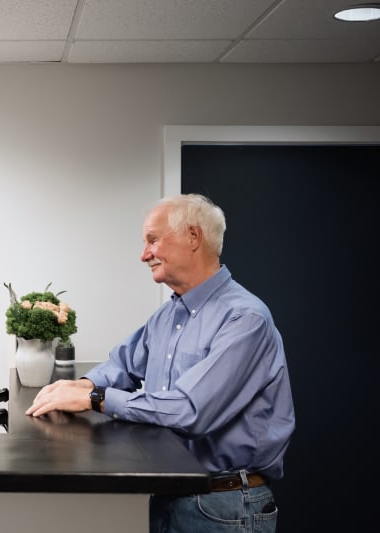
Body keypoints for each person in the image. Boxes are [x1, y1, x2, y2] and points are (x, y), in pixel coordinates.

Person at [26, 194, 295, 533]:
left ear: (193, 238)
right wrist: (84, 384)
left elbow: (189, 410)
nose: (144, 255)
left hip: (225, 506)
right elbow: (123, 363)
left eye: (152, 240)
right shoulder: (170, 314)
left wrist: (96, 399)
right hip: (171, 496)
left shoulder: (245, 319)